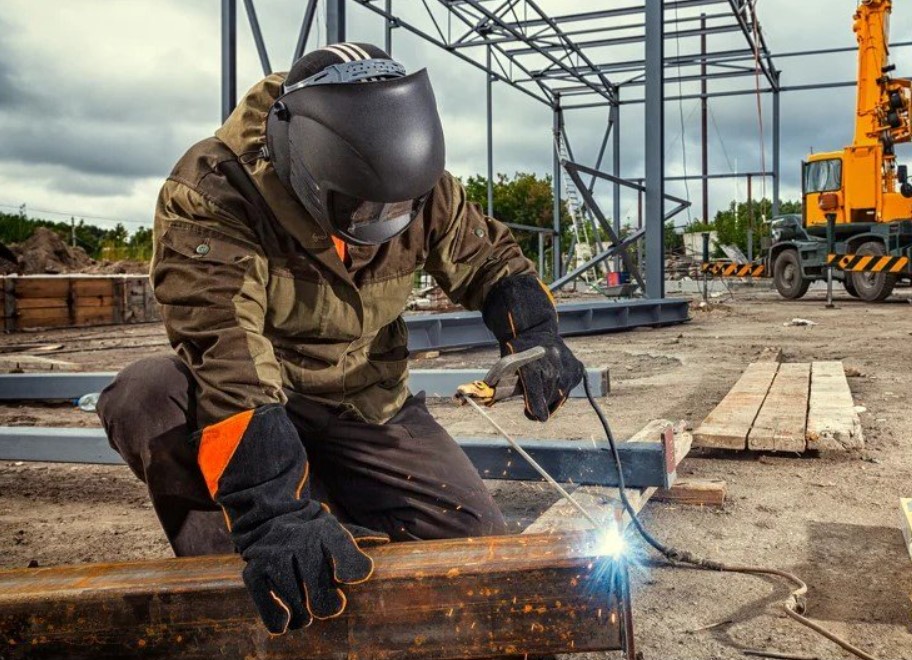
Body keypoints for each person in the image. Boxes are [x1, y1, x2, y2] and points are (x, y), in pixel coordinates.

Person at [98, 42, 584, 635]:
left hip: (365, 401)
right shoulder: (213, 192)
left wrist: (534, 330)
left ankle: (326, 498)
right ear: (305, 164)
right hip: (257, 395)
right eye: (359, 209)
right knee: (147, 394)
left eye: (395, 208)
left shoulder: (415, 181)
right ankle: (237, 576)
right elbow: (225, 354)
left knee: (472, 541)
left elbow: (492, 263)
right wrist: (271, 509)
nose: (375, 229)